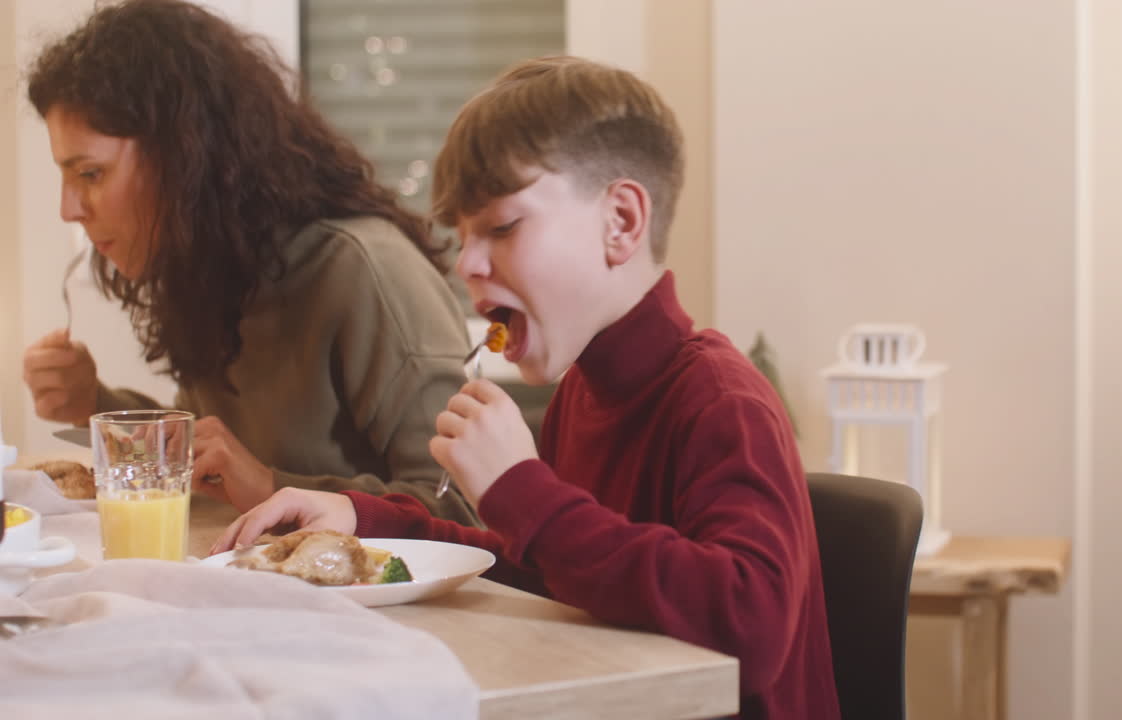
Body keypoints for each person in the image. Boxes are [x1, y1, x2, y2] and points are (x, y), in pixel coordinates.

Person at [214, 56, 839, 718]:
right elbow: (555, 569)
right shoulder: (582, 393)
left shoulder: (722, 401)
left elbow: (752, 624)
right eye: (464, 236)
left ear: (621, 222)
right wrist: (365, 522)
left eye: (503, 228)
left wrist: (520, 489)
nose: (469, 264)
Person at [19, 0, 479, 526]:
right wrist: (93, 402)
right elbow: (213, 462)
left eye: (91, 174)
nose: (68, 209)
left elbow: (465, 512)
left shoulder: (361, 270)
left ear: (184, 160)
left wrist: (270, 486)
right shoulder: (216, 271)